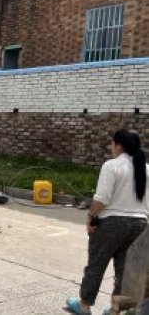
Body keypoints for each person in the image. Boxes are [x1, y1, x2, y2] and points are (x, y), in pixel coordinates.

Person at [66, 129, 148, 315]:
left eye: (112, 144)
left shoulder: (112, 166)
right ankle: (115, 311)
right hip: (140, 224)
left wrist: (90, 216)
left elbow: (101, 199)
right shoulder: (145, 168)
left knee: (97, 263)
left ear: (118, 145)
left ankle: (84, 306)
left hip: (112, 223)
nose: (111, 148)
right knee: (126, 271)